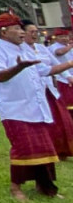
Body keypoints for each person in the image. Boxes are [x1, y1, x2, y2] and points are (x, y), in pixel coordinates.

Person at [0, 13, 73, 202]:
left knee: (45, 148)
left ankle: (46, 186)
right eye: (17, 28)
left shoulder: (24, 49)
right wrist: (19, 67)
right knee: (23, 147)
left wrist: (70, 63)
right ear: (4, 31)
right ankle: (15, 187)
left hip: (37, 106)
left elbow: (45, 70)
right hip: (15, 109)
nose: (21, 33)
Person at [21, 21, 73, 159]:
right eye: (31, 32)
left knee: (62, 119)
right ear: (22, 33)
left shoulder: (41, 48)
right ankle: (49, 149)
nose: (35, 35)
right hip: (34, 90)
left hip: (49, 88)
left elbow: (55, 63)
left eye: (36, 32)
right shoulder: (21, 50)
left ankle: (63, 149)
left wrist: (68, 76)